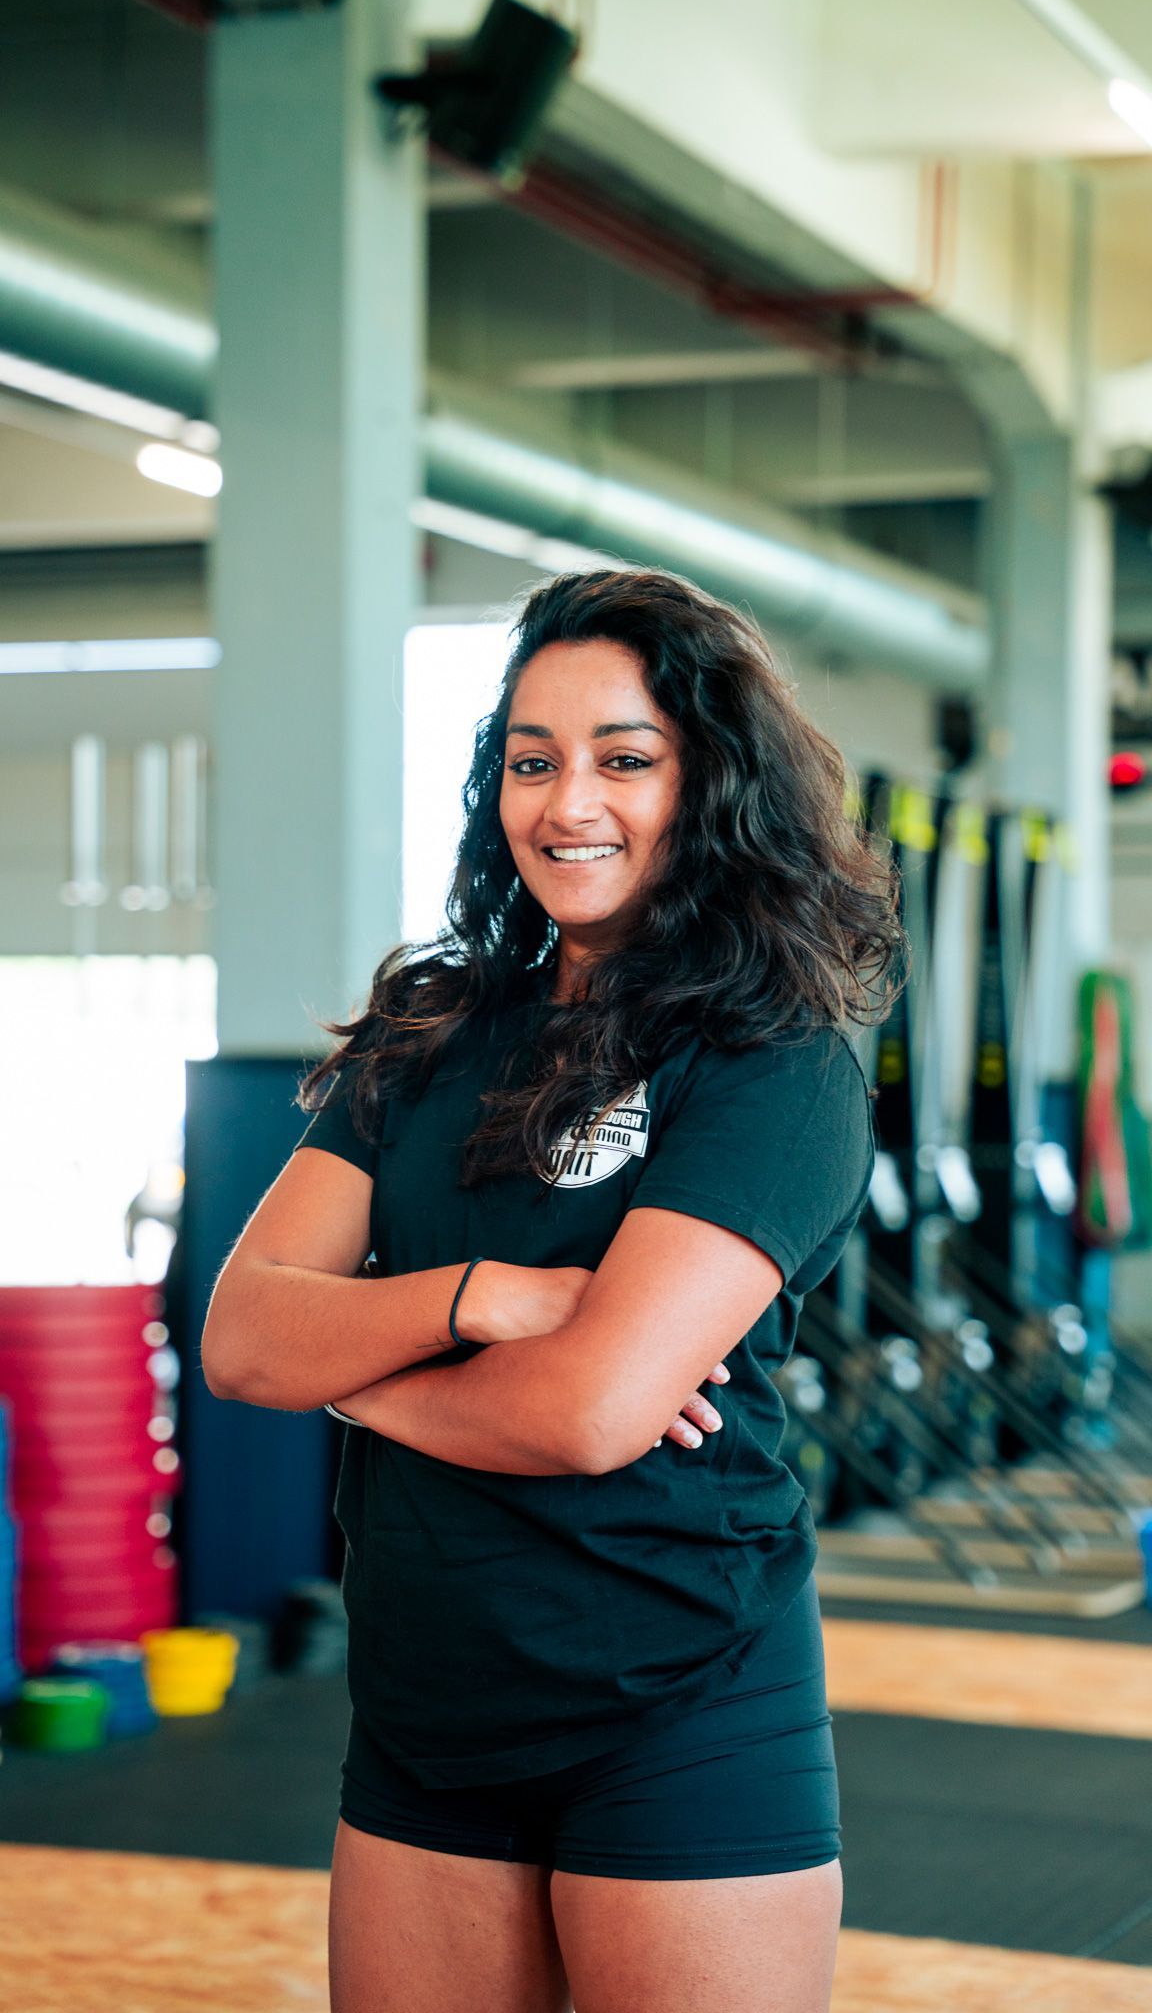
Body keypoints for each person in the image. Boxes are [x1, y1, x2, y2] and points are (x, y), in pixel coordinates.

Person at [202, 566, 906, 2013]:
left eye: (624, 759)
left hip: (681, 1705)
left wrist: (355, 1369)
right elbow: (238, 1335)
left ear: (709, 783)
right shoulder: (431, 1031)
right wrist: (478, 1299)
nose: (567, 801)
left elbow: (590, 1413)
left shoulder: (775, 1060)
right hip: (422, 1709)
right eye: (533, 761)